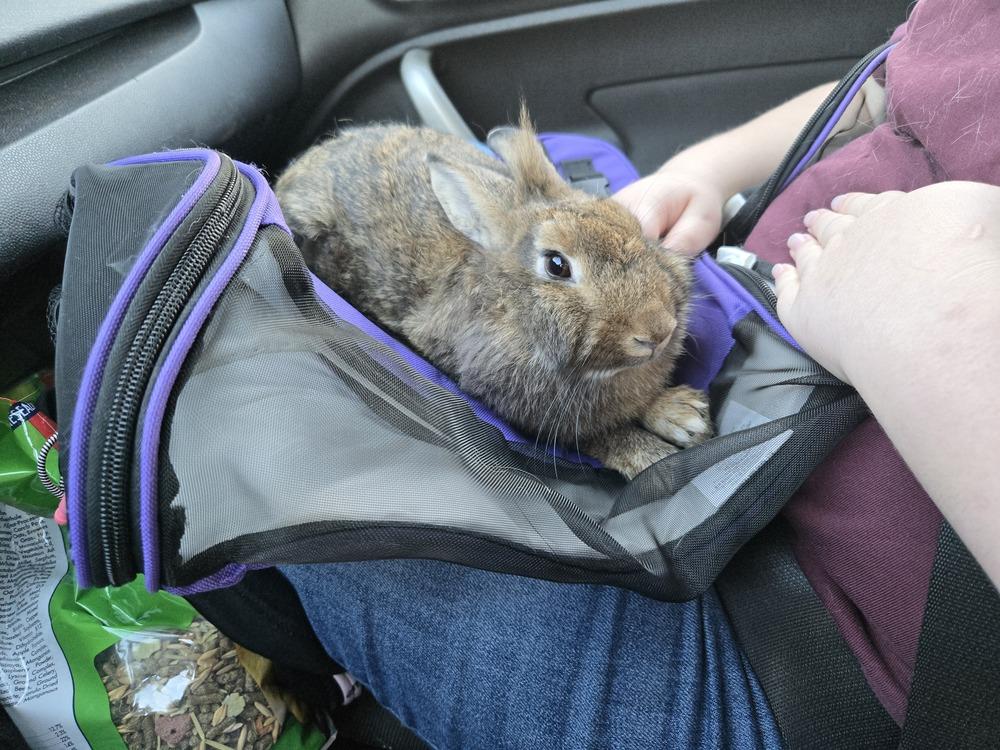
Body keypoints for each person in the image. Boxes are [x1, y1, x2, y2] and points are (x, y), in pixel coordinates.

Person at [280, 0, 1000, 746]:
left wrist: (938, 330)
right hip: (748, 331)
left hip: (812, 651)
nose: (657, 328)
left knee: (271, 457)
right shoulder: (501, 336)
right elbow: (892, 76)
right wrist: (704, 171)